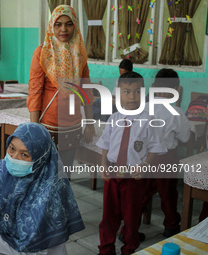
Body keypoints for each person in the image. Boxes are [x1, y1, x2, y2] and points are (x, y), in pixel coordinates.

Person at [0, 122, 85, 254]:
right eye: (12, 148)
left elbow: (33, 250)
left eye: (24, 155)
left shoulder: (49, 192)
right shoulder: (1, 170)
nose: (14, 158)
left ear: (41, 157)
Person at [96, 72, 167, 255]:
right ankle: (106, 249)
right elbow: (105, 144)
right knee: (109, 216)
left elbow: (155, 147)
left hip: (134, 176)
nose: (132, 97)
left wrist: (144, 166)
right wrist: (103, 165)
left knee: (131, 215)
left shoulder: (149, 120)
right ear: (119, 94)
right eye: (127, 92)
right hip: (112, 173)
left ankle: (129, 248)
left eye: (137, 92)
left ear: (143, 93)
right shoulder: (114, 119)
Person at [27, 5, 95, 173]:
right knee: (45, 174)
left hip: (73, 123)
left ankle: (62, 200)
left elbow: (86, 89)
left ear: (75, 26)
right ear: (51, 26)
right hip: (48, 124)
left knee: (65, 175)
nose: (63, 29)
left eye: (68, 24)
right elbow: (35, 91)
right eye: (58, 24)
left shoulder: (79, 53)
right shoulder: (42, 52)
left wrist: (89, 123)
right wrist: (35, 129)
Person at [142, 69, 191, 237]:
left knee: (141, 194)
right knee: (168, 194)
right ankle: (171, 226)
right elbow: (185, 138)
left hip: (143, 157)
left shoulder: (141, 109)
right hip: (166, 158)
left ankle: (128, 229)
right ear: (176, 90)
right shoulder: (176, 113)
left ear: (153, 86)